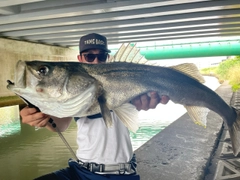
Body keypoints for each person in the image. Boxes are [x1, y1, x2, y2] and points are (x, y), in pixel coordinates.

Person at [20, 33, 169, 180]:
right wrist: (42, 117)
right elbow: (60, 124)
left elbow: (139, 104)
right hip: (81, 172)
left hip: (122, 174)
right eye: (90, 56)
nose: (96, 61)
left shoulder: (124, 81)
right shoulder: (76, 91)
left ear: (108, 58)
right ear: (80, 59)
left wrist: (146, 102)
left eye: (102, 56)